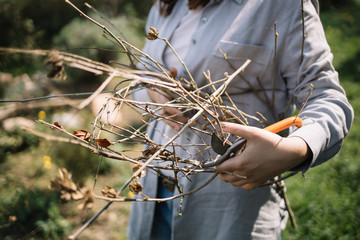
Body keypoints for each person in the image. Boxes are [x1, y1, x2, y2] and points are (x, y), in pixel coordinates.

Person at [128, 0, 354, 239]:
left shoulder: (281, 5)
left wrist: (294, 150)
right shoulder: (164, 7)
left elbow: (327, 99)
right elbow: (138, 79)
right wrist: (153, 90)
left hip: (231, 214)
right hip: (152, 199)